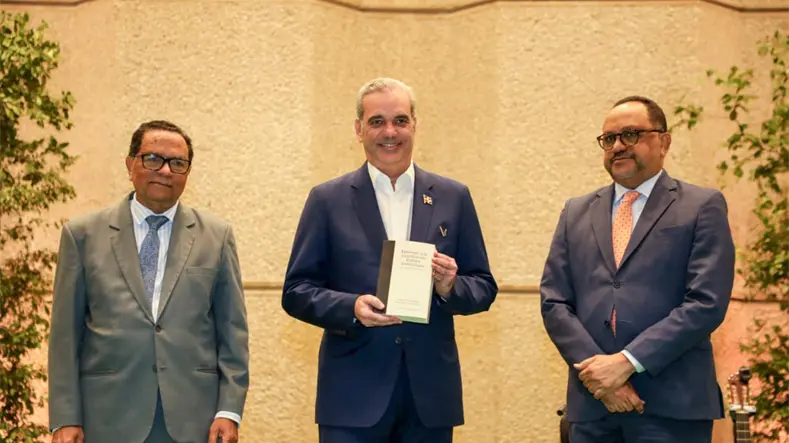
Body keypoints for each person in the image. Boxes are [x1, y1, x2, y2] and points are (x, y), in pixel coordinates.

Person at [282, 77, 498, 443]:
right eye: (377, 121)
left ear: (415, 124)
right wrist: (352, 307)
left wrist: (450, 287)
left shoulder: (453, 196)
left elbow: (483, 286)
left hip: (429, 398)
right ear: (358, 129)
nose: (390, 132)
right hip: (351, 397)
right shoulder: (327, 200)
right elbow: (296, 291)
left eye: (400, 120)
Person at [540, 96, 735, 443]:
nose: (618, 146)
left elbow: (706, 303)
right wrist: (600, 375)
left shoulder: (701, 206)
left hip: (671, 407)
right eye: (609, 139)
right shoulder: (575, 212)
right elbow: (554, 302)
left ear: (664, 141)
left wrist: (627, 362)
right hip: (593, 406)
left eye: (630, 134)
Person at [48, 120, 250, 443]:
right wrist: (65, 417)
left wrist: (229, 411)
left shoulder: (216, 236)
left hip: (193, 419)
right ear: (130, 165)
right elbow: (64, 337)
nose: (166, 171)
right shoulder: (82, 235)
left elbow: (232, 333)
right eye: (153, 159)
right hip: (107, 417)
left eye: (178, 163)